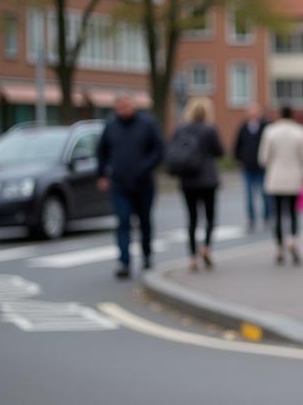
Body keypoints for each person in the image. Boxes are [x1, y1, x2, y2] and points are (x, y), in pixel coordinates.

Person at [96, 93, 164, 279]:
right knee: (123, 221)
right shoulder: (111, 126)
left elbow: (159, 151)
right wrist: (102, 174)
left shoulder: (148, 124)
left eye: (126, 106)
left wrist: (145, 167)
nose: (123, 110)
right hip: (120, 183)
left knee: (144, 221)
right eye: (119, 107)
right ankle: (124, 262)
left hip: (143, 183)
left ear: (133, 106)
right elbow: (101, 152)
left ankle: (147, 255)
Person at [168, 97, 224, 272]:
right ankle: (206, 247)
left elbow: (172, 149)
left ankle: (192, 257)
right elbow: (220, 151)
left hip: (188, 180)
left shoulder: (180, 128)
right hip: (207, 180)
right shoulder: (209, 129)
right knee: (209, 217)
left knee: (191, 219)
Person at [258, 105, 303, 265]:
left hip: (276, 177)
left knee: (277, 213)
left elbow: (264, 158)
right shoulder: (300, 132)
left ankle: (280, 247)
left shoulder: (270, 131)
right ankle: (293, 240)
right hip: (294, 176)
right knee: (293, 212)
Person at [234, 103, 271, 231]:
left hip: (262, 167)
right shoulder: (244, 127)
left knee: (265, 195)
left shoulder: (266, 126)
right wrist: (240, 159)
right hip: (248, 167)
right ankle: (251, 219)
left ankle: (267, 218)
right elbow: (237, 145)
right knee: (249, 196)